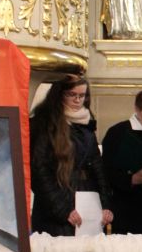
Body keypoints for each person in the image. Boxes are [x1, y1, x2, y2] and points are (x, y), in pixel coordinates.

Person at [30, 74, 113, 236]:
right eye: (72, 95)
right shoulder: (44, 124)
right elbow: (39, 171)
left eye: (82, 96)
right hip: (56, 207)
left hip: (87, 203)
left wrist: (105, 205)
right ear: (60, 95)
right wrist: (63, 209)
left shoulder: (86, 124)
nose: (77, 100)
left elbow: (98, 169)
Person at [102, 87, 142, 234]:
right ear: (138, 109)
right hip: (127, 209)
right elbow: (106, 172)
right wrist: (133, 179)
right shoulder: (118, 133)